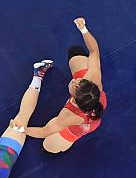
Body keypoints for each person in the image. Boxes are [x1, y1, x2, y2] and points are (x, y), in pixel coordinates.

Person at [25, 17, 106, 153]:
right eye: (79, 81)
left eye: (75, 85)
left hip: (82, 125)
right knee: (75, 53)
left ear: (74, 98)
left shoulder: (69, 116)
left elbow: (45, 131)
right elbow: (94, 51)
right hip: (90, 104)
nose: (74, 80)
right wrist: (83, 29)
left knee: (48, 146)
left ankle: (68, 141)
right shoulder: (94, 77)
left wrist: (21, 130)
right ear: (88, 83)